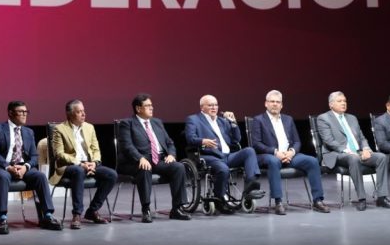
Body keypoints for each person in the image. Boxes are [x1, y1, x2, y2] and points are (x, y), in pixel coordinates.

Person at [0, 101, 63, 234]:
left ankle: (47, 216)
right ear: (10, 113)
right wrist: (8, 167)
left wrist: (25, 167)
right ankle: (3, 219)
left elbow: (34, 156)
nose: (25, 114)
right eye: (21, 112)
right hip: (2, 167)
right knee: (2, 177)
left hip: (22, 167)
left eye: (26, 112)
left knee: (40, 176)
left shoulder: (28, 132)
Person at [248, 90, 330, 214]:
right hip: (269, 156)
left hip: (289, 155)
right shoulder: (258, 120)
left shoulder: (288, 119)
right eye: (272, 101)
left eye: (278, 102)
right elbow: (256, 144)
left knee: (312, 161)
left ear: (281, 105)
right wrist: (276, 152)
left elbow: (297, 141)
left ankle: (318, 200)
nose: (275, 104)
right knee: (274, 161)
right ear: (266, 103)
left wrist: (291, 152)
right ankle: (278, 202)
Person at [316, 91, 390, 210]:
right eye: (339, 101)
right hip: (337, 153)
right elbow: (329, 141)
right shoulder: (323, 118)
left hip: (357, 152)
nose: (343, 103)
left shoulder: (352, 118)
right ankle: (362, 198)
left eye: (345, 101)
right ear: (331, 104)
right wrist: (347, 151)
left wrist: (366, 149)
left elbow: (361, 137)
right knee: (353, 158)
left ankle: (382, 198)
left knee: (381, 157)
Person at [116, 93, 191, 222]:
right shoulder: (127, 123)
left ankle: (177, 209)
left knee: (178, 167)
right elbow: (127, 146)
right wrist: (140, 158)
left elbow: (169, 142)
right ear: (138, 108)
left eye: (151, 105)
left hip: (159, 159)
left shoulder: (157, 122)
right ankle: (146, 209)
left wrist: (171, 155)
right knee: (145, 168)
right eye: (148, 105)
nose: (152, 108)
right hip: (135, 161)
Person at [184, 95, 264, 214]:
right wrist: (202, 141)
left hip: (227, 156)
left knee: (249, 151)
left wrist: (233, 123)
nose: (214, 107)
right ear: (202, 107)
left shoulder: (222, 121)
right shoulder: (193, 119)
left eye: (216, 105)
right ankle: (219, 198)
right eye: (210, 105)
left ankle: (250, 188)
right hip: (209, 156)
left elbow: (236, 139)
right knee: (223, 169)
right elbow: (190, 138)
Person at [49, 99, 117, 228]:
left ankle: (92, 211)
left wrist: (94, 163)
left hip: (89, 164)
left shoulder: (89, 127)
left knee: (111, 175)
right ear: (70, 114)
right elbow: (59, 154)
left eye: (83, 111)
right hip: (69, 166)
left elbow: (96, 149)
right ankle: (77, 214)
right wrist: (79, 163)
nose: (83, 114)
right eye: (79, 112)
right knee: (79, 171)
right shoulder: (59, 129)